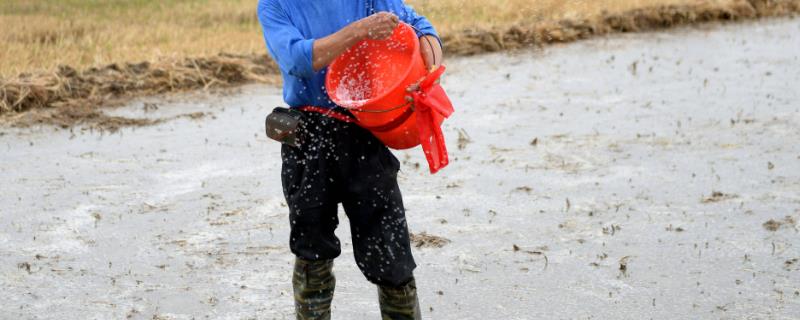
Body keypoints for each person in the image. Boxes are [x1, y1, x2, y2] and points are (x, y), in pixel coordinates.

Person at [257, 1, 443, 319]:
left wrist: (429, 72)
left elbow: (422, 30)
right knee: (312, 252)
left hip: (364, 131)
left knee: (391, 255)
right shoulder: (275, 5)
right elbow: (298, 59)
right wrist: (360, 30)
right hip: (308, 141)